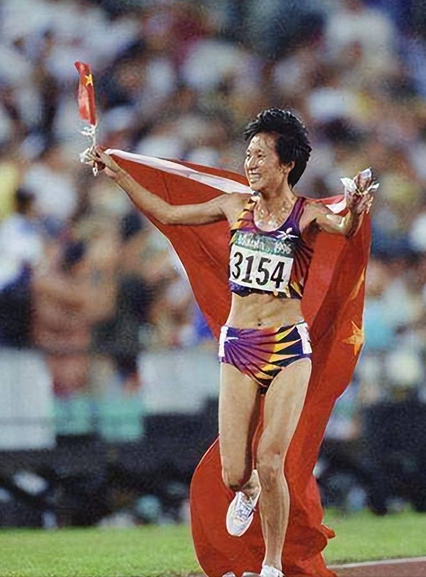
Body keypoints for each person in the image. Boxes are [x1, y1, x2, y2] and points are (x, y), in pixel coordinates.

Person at [87, 108, 375, 577]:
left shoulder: (306, 215)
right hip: (240, 347)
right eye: (249, 154)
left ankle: (272, 565)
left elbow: (344, 229)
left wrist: (357, 208)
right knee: (235, 472)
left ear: (287, 164)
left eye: (261, 155)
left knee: (271, 459)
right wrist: (119, 174)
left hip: (287, 347)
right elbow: (168, 214)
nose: (251, 163)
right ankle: (248, 491)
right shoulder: (233, 206)